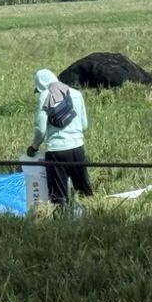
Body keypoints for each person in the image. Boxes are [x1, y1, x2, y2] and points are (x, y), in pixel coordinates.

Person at [26, 69, 93, 207]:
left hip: (57, 152)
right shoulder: (76, 93)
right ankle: (92, 218)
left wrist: (33, 148)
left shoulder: (45, 96)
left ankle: (60, 224)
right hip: (77, 149)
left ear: (41, 85)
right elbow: (84, 125)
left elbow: (41, 129)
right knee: (84, 192)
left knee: (59, 198)